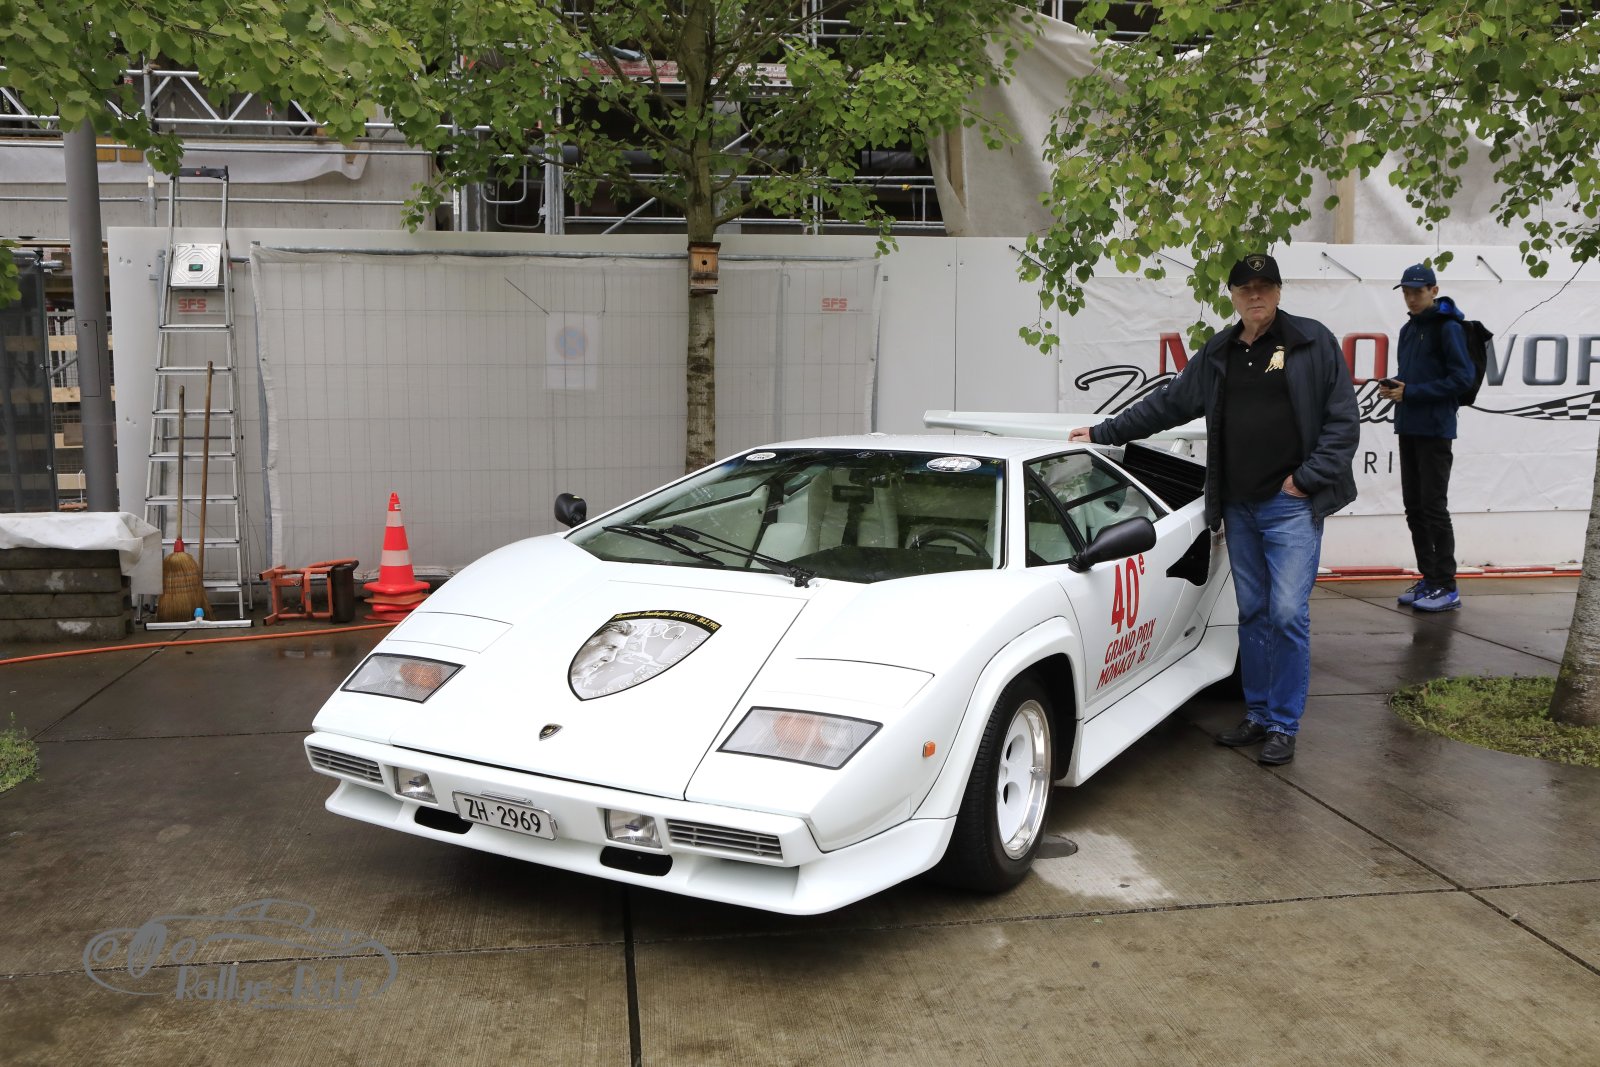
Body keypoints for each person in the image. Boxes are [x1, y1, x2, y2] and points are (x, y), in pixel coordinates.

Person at [1069, 254, 1359, 765]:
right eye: (1245, 287)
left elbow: (1343, 423)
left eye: (1264, 286)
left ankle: (1284, 724)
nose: (1255, 295)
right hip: (1238, 506)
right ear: (1232, 295)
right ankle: (1259, 714)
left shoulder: (1312, 342)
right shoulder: (1220, 351)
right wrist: (1103, 431)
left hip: (1289, 507)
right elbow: (1168, 404)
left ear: (1279, 291)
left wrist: (1306, 480)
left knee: (1287, 614)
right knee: (1253, 613)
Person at [1377, 264, 1475, 613]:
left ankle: (1446, 585)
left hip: (1435, 429)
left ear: (1434, 290)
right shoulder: (1408, 329)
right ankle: (1429, 579)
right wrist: (1397, 386)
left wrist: (1412, 392)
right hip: (1408, 426)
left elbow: (1463, 378)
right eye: (1406, 291)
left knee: (1433, 507)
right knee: (1414, 507)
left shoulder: (1449, 328)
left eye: (1417, 291)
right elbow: (1414, 377)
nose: (1411, 297)